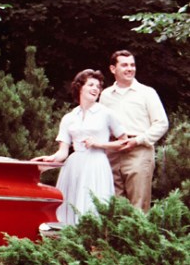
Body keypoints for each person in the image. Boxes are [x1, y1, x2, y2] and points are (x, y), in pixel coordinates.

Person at [34, 69, 125, 225]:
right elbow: (62, 152)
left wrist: (99, 144)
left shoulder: (106, 114)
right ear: (79, 88)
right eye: (91, 84)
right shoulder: (69, 118)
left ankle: (94, 246)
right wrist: (47, 161)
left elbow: (124, 141)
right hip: (74, 167)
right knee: (71, 206)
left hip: (97, 165)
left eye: (98, 86)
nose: (95, 88)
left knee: (94, 206)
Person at [99, 50, 169, 211]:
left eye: (132, 65)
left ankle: (139, 237)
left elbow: (161, 123)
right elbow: (101, 125)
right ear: (112, 69)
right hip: (113, 152)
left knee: (138, 206)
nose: (130, 68)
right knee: (113, 204)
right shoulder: (105, 96)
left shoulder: (147, 93)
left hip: (139, 152)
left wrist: (137, 140)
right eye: (124, 65)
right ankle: (115, 237)